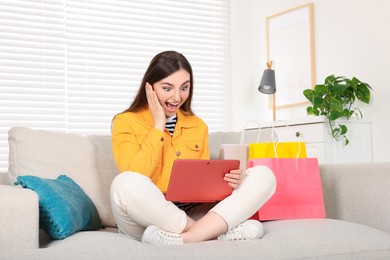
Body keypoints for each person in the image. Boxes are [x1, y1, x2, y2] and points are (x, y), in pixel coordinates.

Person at [110, 50, 276, 246]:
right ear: (150, 87)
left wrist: (231, 184)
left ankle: (186, 238)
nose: (176, 97)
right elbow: (137, 174)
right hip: (148, 214)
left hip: (192, 209)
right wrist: (157, 126)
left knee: (264, 175)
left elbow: (201, 185)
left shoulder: (198, 125)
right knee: (124, 183)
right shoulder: (124, 122)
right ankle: (212, 232)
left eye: (184, 88)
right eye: (167, 88)